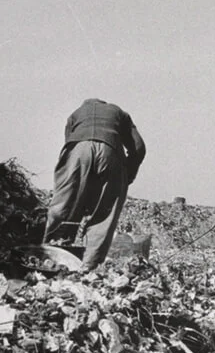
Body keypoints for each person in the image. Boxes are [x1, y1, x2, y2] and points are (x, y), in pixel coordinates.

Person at [43, 98, 146, 272]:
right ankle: (89, 266)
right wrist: (127, 175)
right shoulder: (119, 113)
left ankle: (49, 256)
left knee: (65, 203)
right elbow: (139, 147)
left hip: (77, 150)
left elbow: (70, 144)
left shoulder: (75, 114)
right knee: (104, 213)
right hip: (110, 150)